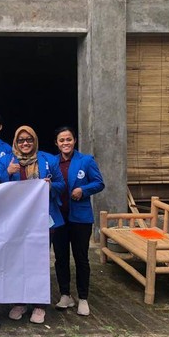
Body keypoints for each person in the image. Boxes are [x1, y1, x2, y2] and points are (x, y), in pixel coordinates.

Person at [0, 125, 66, 325]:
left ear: (35, 141)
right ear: (15, 143)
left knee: (39, 262)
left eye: (29, 140)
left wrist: (50, 185)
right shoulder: (6, 160)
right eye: (21, 140)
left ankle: (38, 304)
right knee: (17, 261)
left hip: (43, 220)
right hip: (17, 221)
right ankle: (19, 302)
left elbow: (62, 185)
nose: (25, 143)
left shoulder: (48, 160)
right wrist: (7, 173)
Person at [52, 126, 105, 316]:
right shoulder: (52, 162)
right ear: (56, 143)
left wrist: (84, 190)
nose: (65, 143)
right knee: (60, 257)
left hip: (80, 218)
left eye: (68, 139)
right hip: (58, 217)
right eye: (61, 140)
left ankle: (83, 297)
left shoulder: (86, 160)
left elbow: (99, 183)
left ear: (74, 141)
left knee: (81, 258)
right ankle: (65, 295)